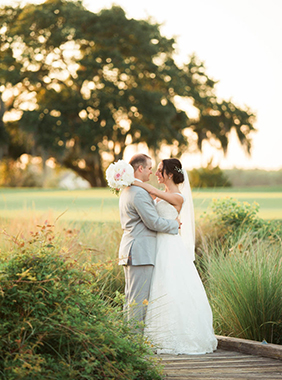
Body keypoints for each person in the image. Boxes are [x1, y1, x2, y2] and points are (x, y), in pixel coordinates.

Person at [133, 158, 218, 354]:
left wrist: (134, 181)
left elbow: (153, 192)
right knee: (159, 286)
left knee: (172, 284)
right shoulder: (161, 196)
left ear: (169, 174)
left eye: (160, 170)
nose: (156, 173)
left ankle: (176, 336)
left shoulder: (178, 197)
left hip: (170, 246)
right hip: (158, 245)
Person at [118, 153, 180, 330]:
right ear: (140, 168)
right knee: (138, 300)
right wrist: (174, 225)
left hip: (132, 249)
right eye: (149, 168)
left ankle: (128, 339)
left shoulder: (129, 190)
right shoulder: (138, 193)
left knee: (131, 298)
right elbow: (153, 222)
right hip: (140, 252)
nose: (152, 172)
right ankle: (133, 344)